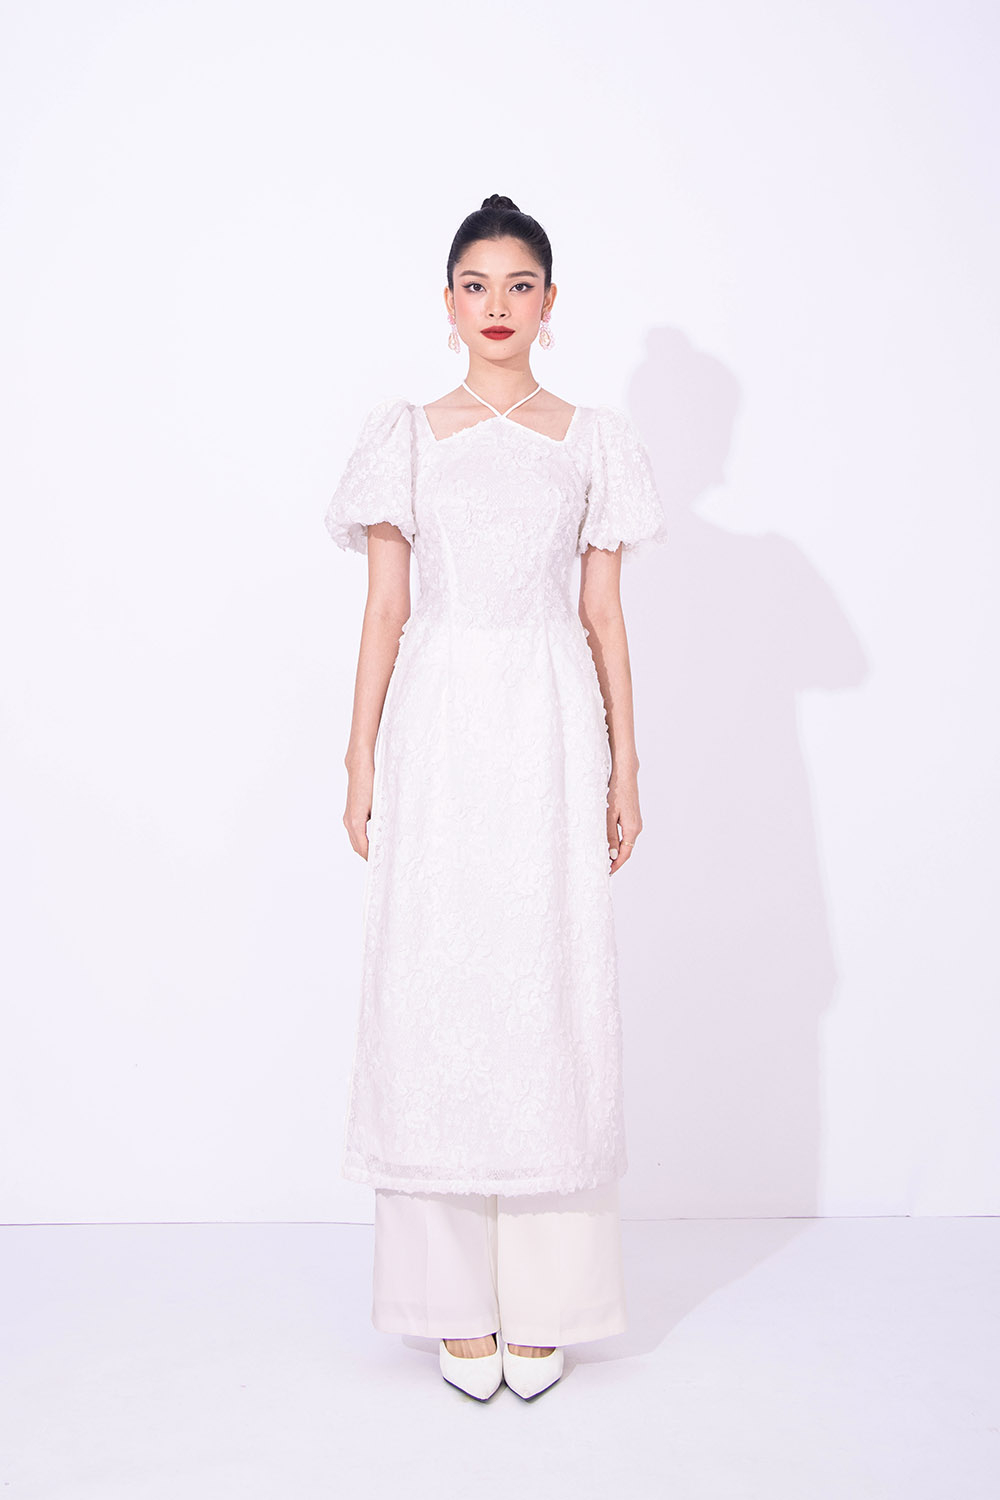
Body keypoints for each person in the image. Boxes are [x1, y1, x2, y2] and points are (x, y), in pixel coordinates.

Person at [324, 194, 667, 1400]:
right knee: (435, 978)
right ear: (448, 302)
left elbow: (602, 615)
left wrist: (628, 764)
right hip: (440, 722)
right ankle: (444, 1298)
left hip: (549, 721)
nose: (498, 305)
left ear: (551, 302)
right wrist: (359, 758)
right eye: (476, 284)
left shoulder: (591, 441)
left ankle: (552, 1300)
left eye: (520, 285)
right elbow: (385, 609)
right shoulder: (409, 438)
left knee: (547, 974)